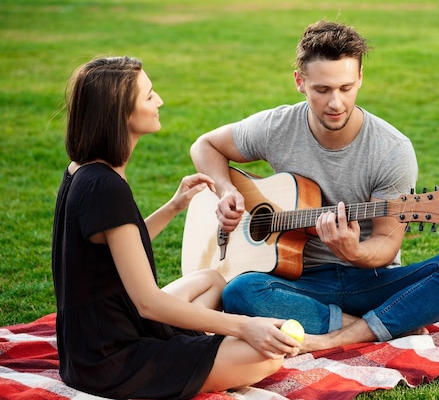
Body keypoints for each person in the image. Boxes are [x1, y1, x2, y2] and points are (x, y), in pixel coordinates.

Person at [190, 20, 439, 352]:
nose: (336, 103)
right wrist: (227, 190)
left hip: (370, 281)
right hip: (298, 282)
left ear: (360, 78)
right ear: (300, 82)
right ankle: (377, 325)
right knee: (240, 292)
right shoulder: (276, 126)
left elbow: (387, 241)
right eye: (323, 89)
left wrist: (354, 251)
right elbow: (204, 146)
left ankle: (333, 335)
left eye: (346, 88)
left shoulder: (391, 149)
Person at [51, 56, 300, 400]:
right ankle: (189, 357)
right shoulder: (105, 186)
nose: (160, 102)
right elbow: (149, 304)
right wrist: (245, 326)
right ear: (121, 113)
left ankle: (193, 353)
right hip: (111, 359)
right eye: (149, 96)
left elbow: (116, 251)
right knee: (266, 356)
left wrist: (174, 206)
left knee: (212, 279)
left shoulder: (82, 169)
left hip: (95, 337)